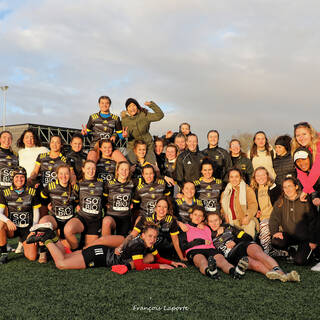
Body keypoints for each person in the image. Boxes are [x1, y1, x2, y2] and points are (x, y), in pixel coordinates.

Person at [27, 222, 186, 272]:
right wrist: (161, 267)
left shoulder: (147, 244)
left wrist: (172, 263)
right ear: (142, 235)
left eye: (155, 237)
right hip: (99, 256)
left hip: (102, 252)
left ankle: (52, 236)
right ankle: (48, 239)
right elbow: (139, 266)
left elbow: (156, 257)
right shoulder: (138, 245)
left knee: (66, 257)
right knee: (61, 264)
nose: (153, 239)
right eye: (150, 236)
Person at [208, 212, 300, 282]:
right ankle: (280, 276)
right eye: (211, 221)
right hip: (232, 255)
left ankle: (280, 272)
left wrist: (235, 241)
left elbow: (247, 237)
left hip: (242, 245)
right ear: (207, 223)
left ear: (220, 221)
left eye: (216, 220)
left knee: (258, 254)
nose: (214, 223)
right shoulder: (207, 234)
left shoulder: (229, 228)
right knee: (255, 264)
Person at [179, 206, 249, 280]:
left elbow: (218, 227)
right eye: (195, 215)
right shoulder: (185, 227)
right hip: (194, 250)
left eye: (200, 216)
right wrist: (201, 241)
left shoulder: (207, 227)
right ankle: (210, 271)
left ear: (203, 218)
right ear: (191, 216)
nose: (197, 217)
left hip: (210, 248)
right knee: (201, 261)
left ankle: (235, 272)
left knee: (221, 260)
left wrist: (223, 227)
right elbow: (183, 246)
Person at [269, 177, 317, 265]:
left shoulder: (305, 200)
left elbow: (313, 222)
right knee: (276, 241)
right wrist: (274, 232)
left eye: (290, 186)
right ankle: (291, 249)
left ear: (296, 187)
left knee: (299, 261)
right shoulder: (280, 202)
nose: (288, 189)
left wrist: (313, 240)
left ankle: (306, 252)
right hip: (290, 236)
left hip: (305, 238)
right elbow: (273, 219)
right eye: (285, 187)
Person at [120, 197, 185, 261]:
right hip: (147, 247)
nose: (162, 209)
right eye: (159, 206)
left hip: (163, 249)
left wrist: (181, 257)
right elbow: (133, 234)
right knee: (126, 242)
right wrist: (121, 247)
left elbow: (175, 240)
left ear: (168, 210)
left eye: (165, 207)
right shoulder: (146, 218)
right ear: (155, 208)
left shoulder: (171, 220)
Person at [38, 164, 79, 262]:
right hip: (55, 218)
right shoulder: (51, 186)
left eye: (66, 174)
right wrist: (48, 204)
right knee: (43, 222)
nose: (63, 176)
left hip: (69, 220)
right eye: (61, 174)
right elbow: (42, 198)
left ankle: (74, 248)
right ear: (57, 174)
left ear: (70, 175)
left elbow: (77, 202)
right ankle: (43, 252)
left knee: (67, 251)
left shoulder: (75, 187)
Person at [0, 167, 40, 264]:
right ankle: (3, 253)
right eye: (17, 177)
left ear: (25, 178)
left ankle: (24, 242)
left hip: (27, 228)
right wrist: (8, 221)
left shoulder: (32, 192)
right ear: (12, 178)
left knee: (32, 257)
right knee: (0, 223)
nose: (19, 179)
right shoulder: (4, 192)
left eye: (22, 177)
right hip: (12, 227)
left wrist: (33, 229)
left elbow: (36, 213)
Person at [64, 160, 107, 250]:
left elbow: (105, 199)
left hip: (95, 221)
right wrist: (76, 205)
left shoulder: (101, 183)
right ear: (83, 169)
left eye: (93, 169)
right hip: (82, 218)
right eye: (88, 168)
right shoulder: (79, 184)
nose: (91, 171)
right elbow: (72, 199)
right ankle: (75, 249)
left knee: (88, 250)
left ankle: (84, 242)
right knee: (68, 229)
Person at [250, 167, 283, 256]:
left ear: (267, 176)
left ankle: (266, 254)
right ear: (254, 177)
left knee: (265, 225)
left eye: (263, 175)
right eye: (258, 175)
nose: (260, 177)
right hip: (262, 218)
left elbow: (280, 204)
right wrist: (256, 211)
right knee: (263, 226)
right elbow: (254, 205)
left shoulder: (274, 187)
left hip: (274, 217)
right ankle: (270, 251)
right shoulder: (254, 189)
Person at [122, 98, 164, 166]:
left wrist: (151, 105)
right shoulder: (124, 120)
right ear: (127, 109)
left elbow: (160, 115)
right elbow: (122, 132)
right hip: (132, 147)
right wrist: (124, 135)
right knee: (130, 166)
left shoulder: (144, 115)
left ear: (137, 106)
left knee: (151, 166)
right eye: (129, 106)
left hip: (147, 146)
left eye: (134, 105)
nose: (132, 108)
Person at [221, 168, 258, 238]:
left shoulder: (247, 189)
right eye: (231, 177)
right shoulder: (225, 193)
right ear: (228, 178)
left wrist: (248, 216)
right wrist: (224, 215)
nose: (234, 179)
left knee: (248, 235)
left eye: (236, 176)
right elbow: (223, 209)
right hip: (231, 222)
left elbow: (253, 205)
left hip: (244, 220)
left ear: (240, 177)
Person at [102, 161, 135, 236]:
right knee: (106, 221)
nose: (124, 172)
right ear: (117, 171)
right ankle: (105, 245)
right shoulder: (109, 184)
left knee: (121, 242)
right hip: (111, 215)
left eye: (126, 169)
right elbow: (103, 198)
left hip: (125, 217)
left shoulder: (132, 183)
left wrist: (133, 204)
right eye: (122, 169)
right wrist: (105, 205)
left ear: (129, 171)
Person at [291, 122, 320, 201]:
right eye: (298, 135)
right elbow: (301, 173)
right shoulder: (298, 149)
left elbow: (317, 169)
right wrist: (312, 193)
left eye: (304, 134)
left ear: (311, 134)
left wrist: (305, 190)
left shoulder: (318, 144)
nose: (301, 138)